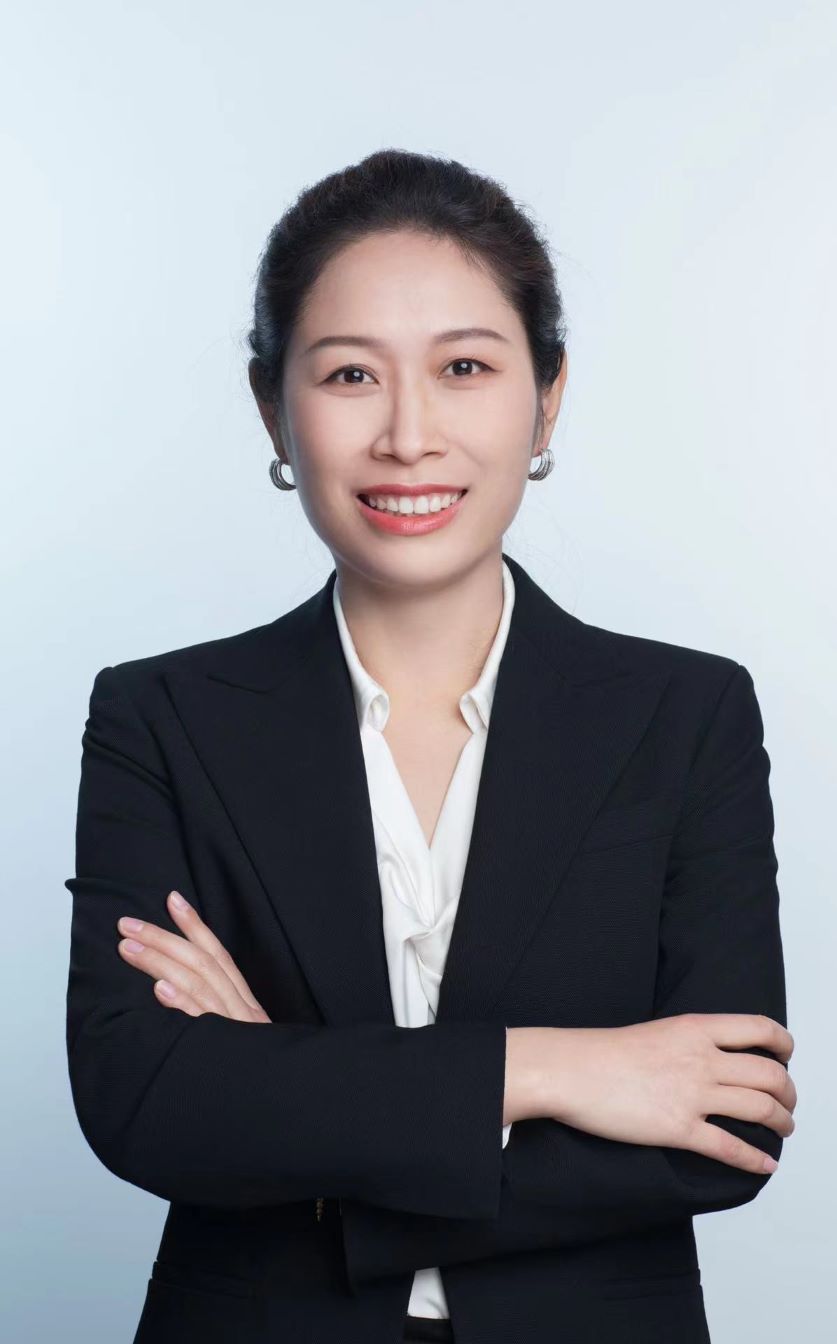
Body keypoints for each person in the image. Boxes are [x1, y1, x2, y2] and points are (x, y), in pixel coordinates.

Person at [64, 148, 795, 1344]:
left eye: (464, 368)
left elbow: (725, 1125)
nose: (408, 436)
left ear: (546, 396)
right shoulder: (164, 717)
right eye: (350, 374)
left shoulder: (684, 716)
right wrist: (553, 1071)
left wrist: (296, 1101)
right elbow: (146, 1103)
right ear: (274, 409)